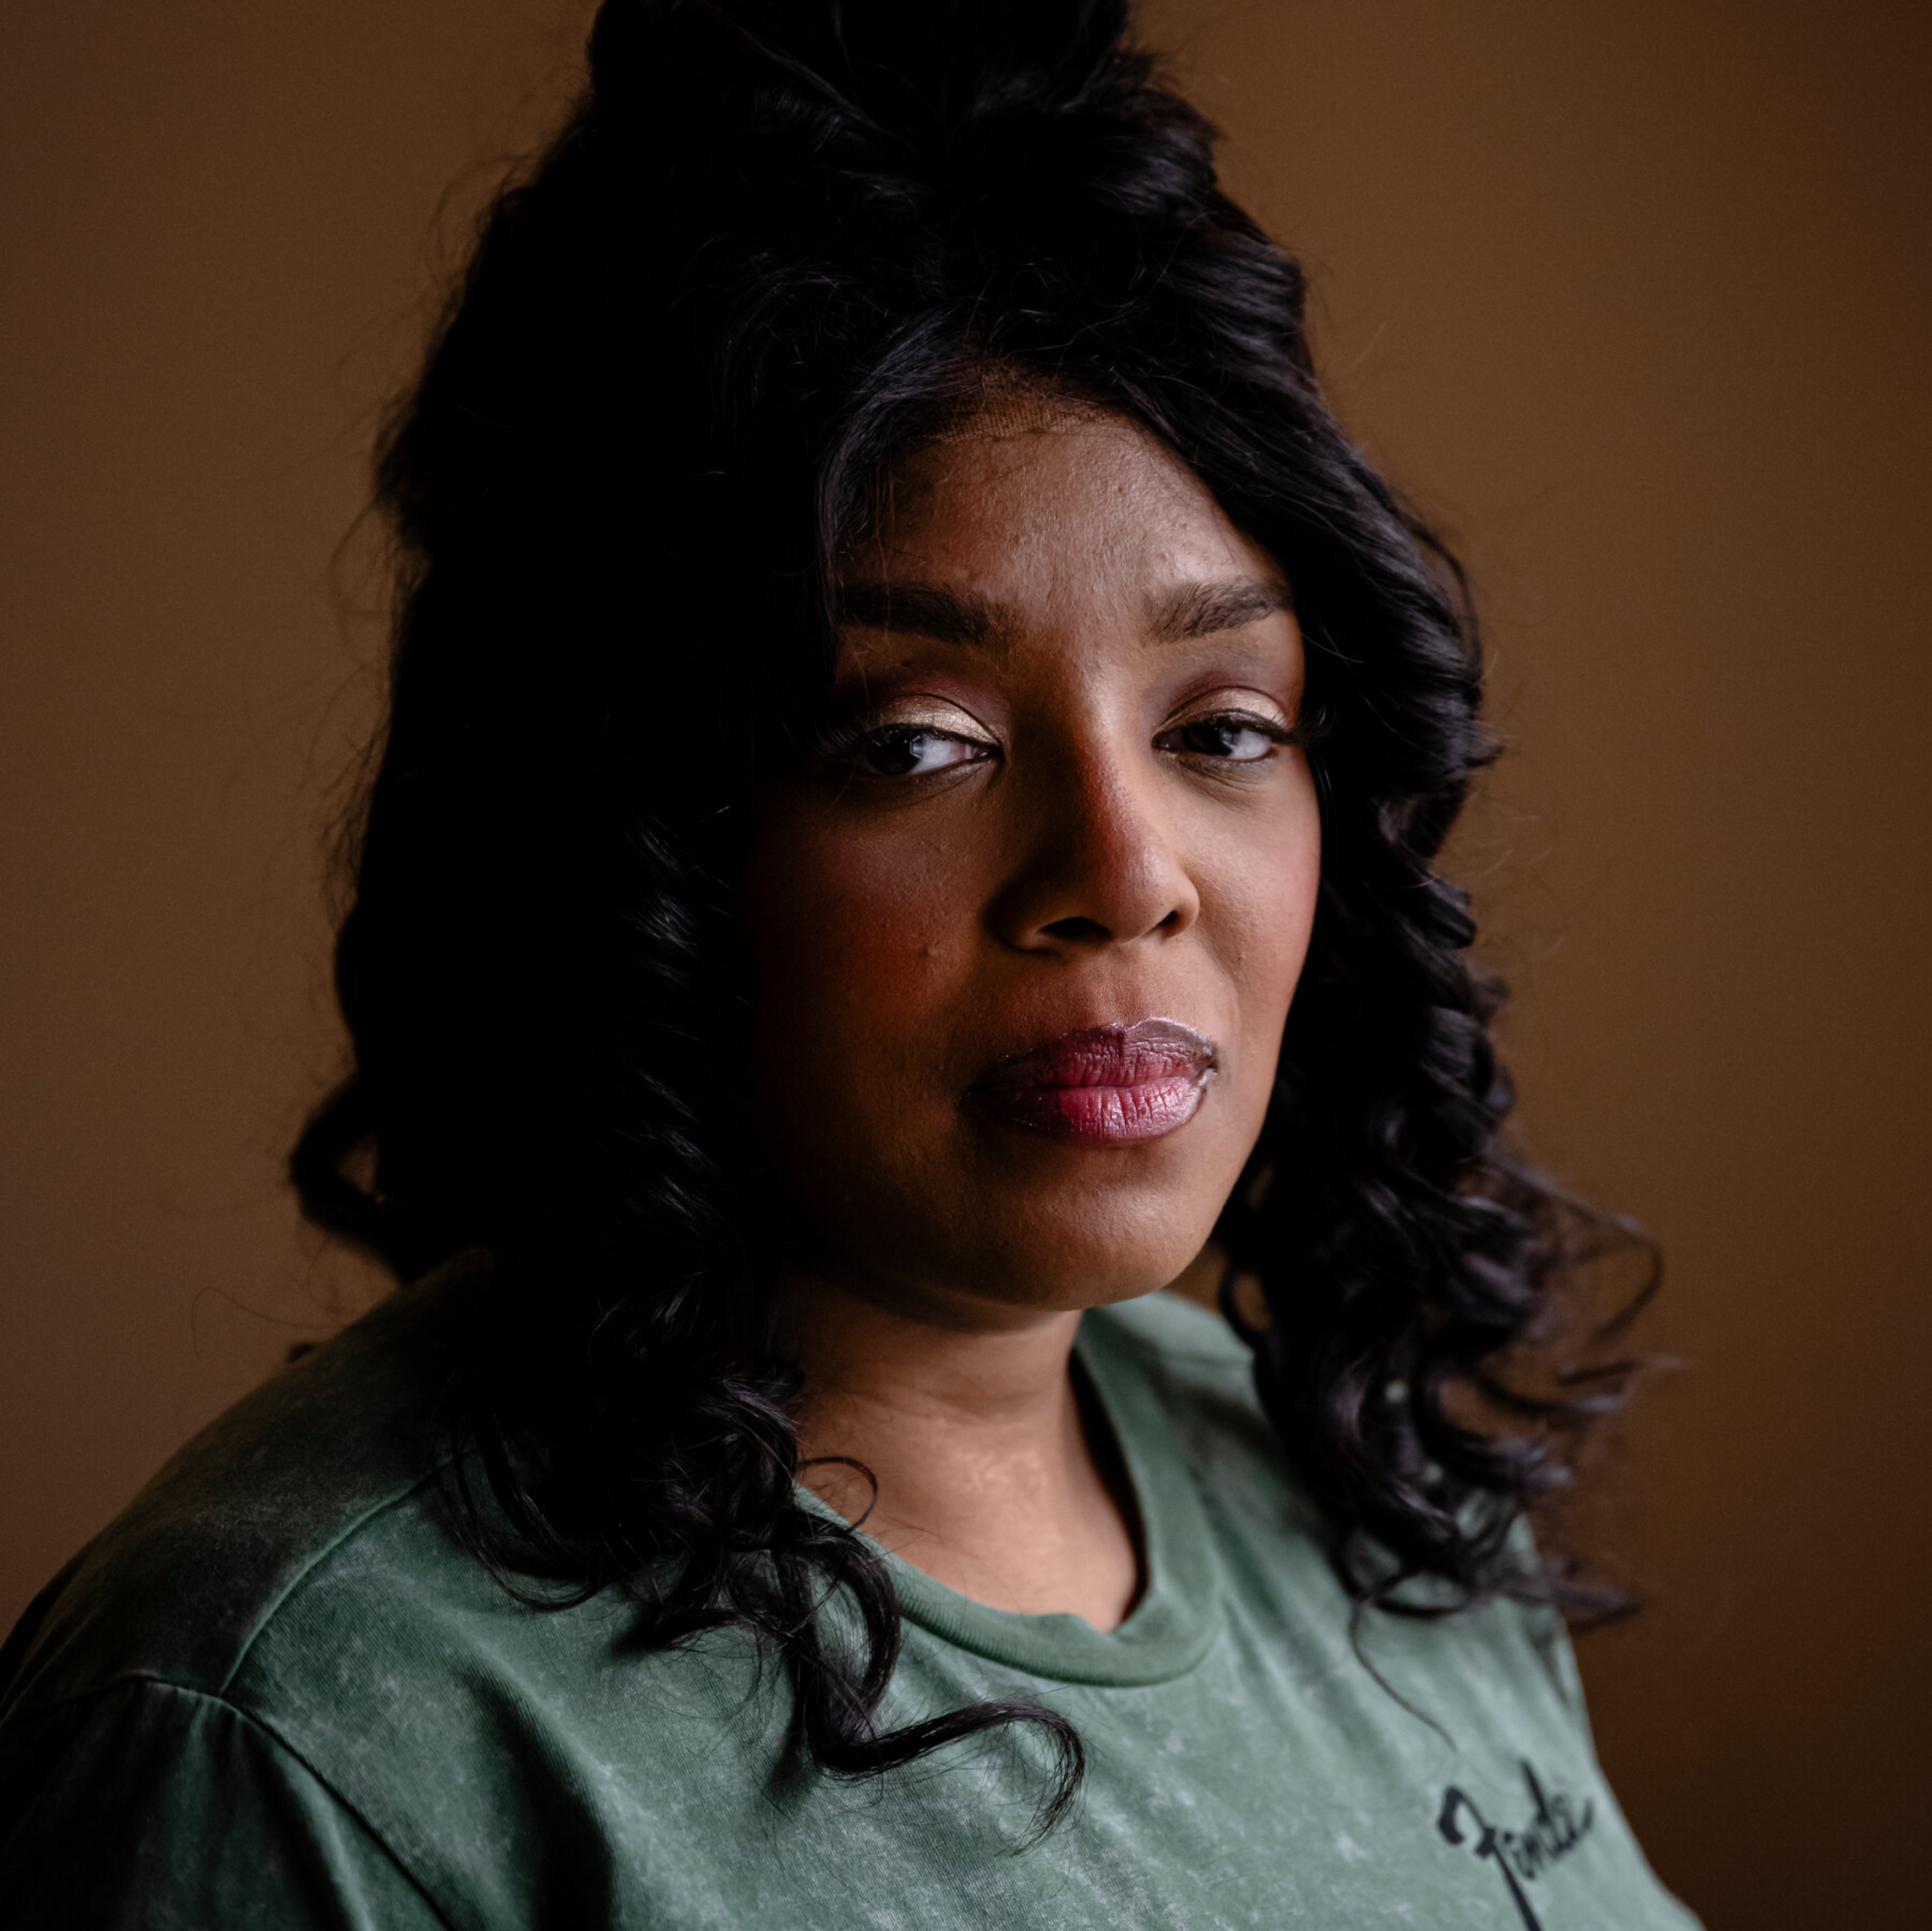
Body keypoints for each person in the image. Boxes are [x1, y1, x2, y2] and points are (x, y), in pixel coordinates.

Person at [0, 3, 1699, 1924]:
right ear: (625, 829)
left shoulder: (1350, 1483)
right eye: (913, 744)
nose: (1123, 875)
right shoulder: (301, 1730)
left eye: (1222, 727)